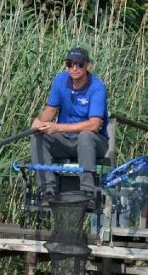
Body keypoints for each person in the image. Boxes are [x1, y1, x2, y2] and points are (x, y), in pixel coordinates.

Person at [30, 47, 109, 201]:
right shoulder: (60, 80)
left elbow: (94, 125)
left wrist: (57, 127)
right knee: (38, 137)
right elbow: (51, 111)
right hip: (65, 140)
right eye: (70, 64)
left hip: (94, 142)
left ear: (88, 66)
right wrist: (38, 121)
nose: (74, 68)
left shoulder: (97, 87)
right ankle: (46, 188)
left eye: (79, 64)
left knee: (85, 136)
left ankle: (87, 190)